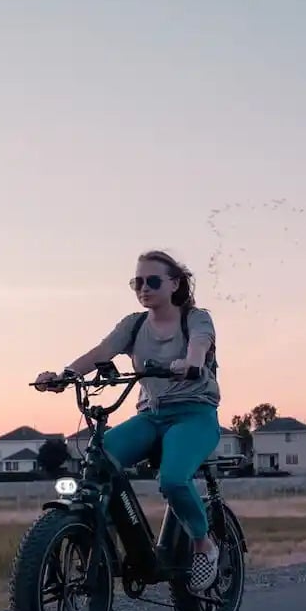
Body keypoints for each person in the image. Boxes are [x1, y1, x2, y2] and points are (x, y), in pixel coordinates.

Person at [34, 249, 223, 590]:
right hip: (151, 415)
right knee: (99, 460)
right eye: (137, 282)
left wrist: (191, 363)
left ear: (175, 284)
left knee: (174, 480)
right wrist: (64, 375)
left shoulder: (195, 318)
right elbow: (100, 353)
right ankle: (96, 537)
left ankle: (202, 544)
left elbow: (200, 343)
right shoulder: (133, 324)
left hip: (193, 415)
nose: (144, 288)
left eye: (152, 281)